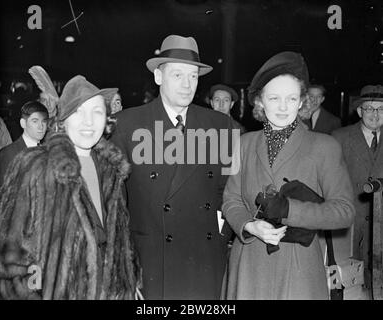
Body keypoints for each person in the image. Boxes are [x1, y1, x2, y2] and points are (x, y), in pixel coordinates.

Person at [0, 73, 141, 299]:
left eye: (97, 112)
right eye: (78, 112)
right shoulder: (33, 166)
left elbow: (121, 245)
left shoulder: (112, 171)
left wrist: (131, 285)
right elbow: (8, 261)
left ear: (108, 120)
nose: (88, 121)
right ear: (63, 120)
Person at [221, 51, 355, 300]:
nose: (283, 107)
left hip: (299, 270)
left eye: (291, 98)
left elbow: (344, 211)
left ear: (302, 101)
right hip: (249, 264)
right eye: (274, 98)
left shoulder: (324, 146)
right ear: (260, 102)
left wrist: (289, 210)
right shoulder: (243, 143)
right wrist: (249, 225)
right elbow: (231, 199)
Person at [110, 34, 234, 299]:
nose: (187, 85)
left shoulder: (218, 124)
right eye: (178, 75)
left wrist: (220, 234)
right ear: (158, 77)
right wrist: (126, 270)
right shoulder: (128, 125)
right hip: (151, 263)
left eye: (193, 76)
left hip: (203, 261)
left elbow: (227, 189)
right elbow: (116, 207)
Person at [332, 84, 383, 294]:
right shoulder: (339, 137)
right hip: (350, 227)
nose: (375, 114)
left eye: (381, 109)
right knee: (352, 287)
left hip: (381, 227)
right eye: (369, 108)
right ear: (360, 111)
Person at [0, 101, 49, 196]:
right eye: (35, 121)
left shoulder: (47, 151)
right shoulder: (8, 154)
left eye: (44, 121)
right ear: (23, 123)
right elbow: (1, 198)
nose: (41, 127)